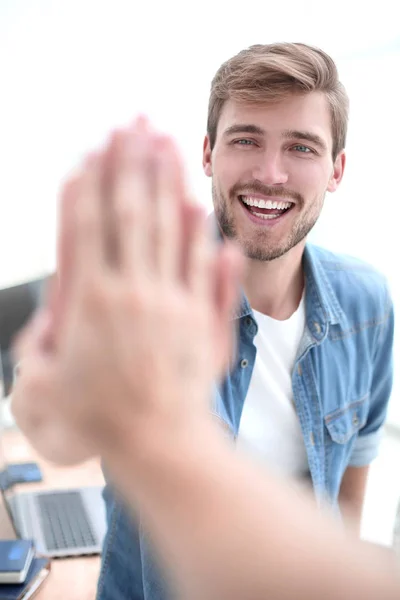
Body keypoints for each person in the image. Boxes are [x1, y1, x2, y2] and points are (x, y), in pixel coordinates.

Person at [11, 42, 394, 600]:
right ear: (209, 152)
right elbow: (45, 411)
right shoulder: (143, 290)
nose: (271, 173)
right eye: (246, 140)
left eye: (302, 147)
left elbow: (349, 488)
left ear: (336, 169)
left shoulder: (367, 304)